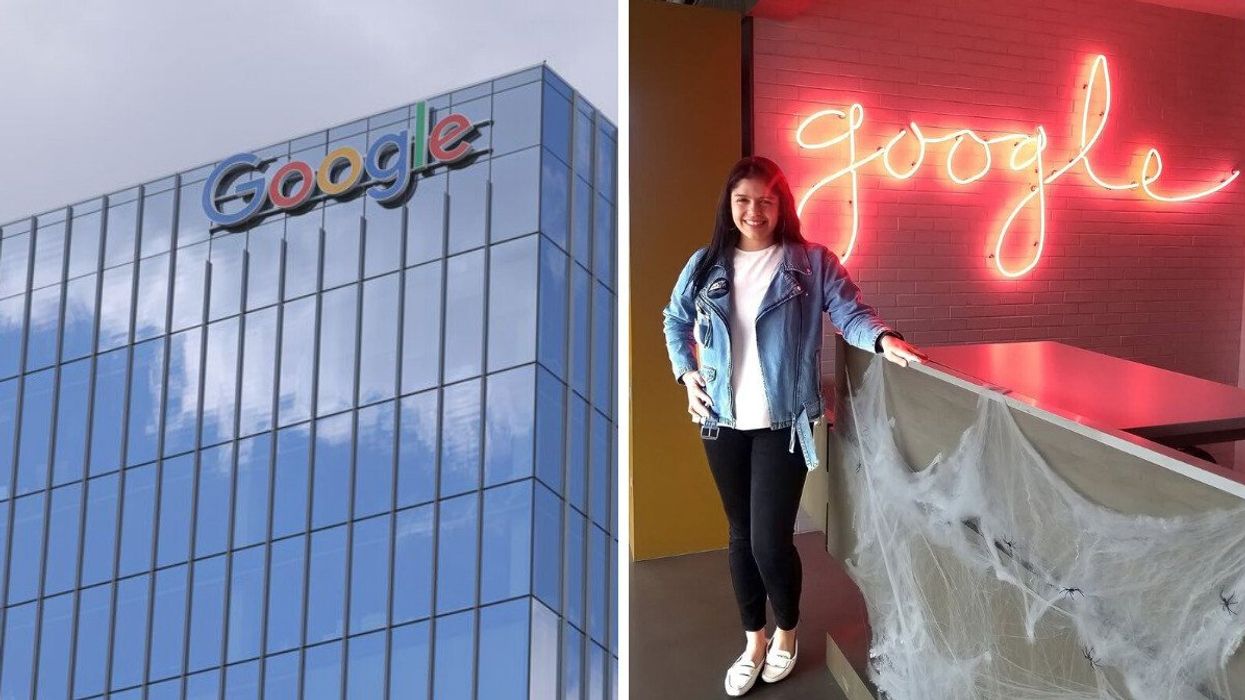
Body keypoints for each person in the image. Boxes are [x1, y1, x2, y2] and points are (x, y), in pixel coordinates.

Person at [661, 155, 926, 696]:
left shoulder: (810, 262)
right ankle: (753, 639)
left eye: (765, 200)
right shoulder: (707, 262)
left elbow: (848, 311)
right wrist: (686, 373)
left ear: (781, 205)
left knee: (768, 540)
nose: (754, 210)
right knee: (739, 536)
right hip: (720, 422)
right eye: (743, 200)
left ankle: (786, 632)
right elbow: (674, 319)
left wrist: (881, 338)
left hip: (784, 423)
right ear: (729, 205)